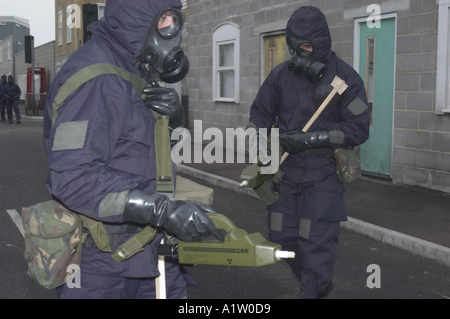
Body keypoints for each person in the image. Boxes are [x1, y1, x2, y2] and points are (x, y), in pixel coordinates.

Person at [43, 0, 223, 299]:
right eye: (163, 20)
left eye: (175, 20)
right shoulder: (98, 77)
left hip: (146, 251)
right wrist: (162, 211)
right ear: (135, 17)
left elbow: (135, 153)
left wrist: (170, 120)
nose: (173, 34)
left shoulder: (130, 69)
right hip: (104, 264)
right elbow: (73, 178)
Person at [247, 6, 370, 299]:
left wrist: (314, 139)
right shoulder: (280, 77)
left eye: (305, 46)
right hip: (286, 175)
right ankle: (317, 286)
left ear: (320, 43)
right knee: (282, 239)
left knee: (315, 245)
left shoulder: (345, 80)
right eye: (294, 46)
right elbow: (259, 113)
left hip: (322, 176)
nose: (299, 54)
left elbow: (359, 127)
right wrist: (264, 144)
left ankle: (313, 288)